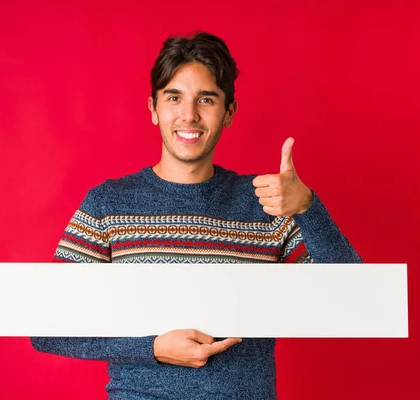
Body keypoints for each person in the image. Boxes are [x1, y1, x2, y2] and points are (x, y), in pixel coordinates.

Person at [31, 31, 362, 400]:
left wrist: (307, 207)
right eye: (174, 98)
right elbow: (48, 328)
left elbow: (356, 300)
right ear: (154, 109)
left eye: (206, 99)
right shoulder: (107, 205)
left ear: (229, 112)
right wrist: (152, 348)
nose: (189, 115)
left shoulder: (267, 203)